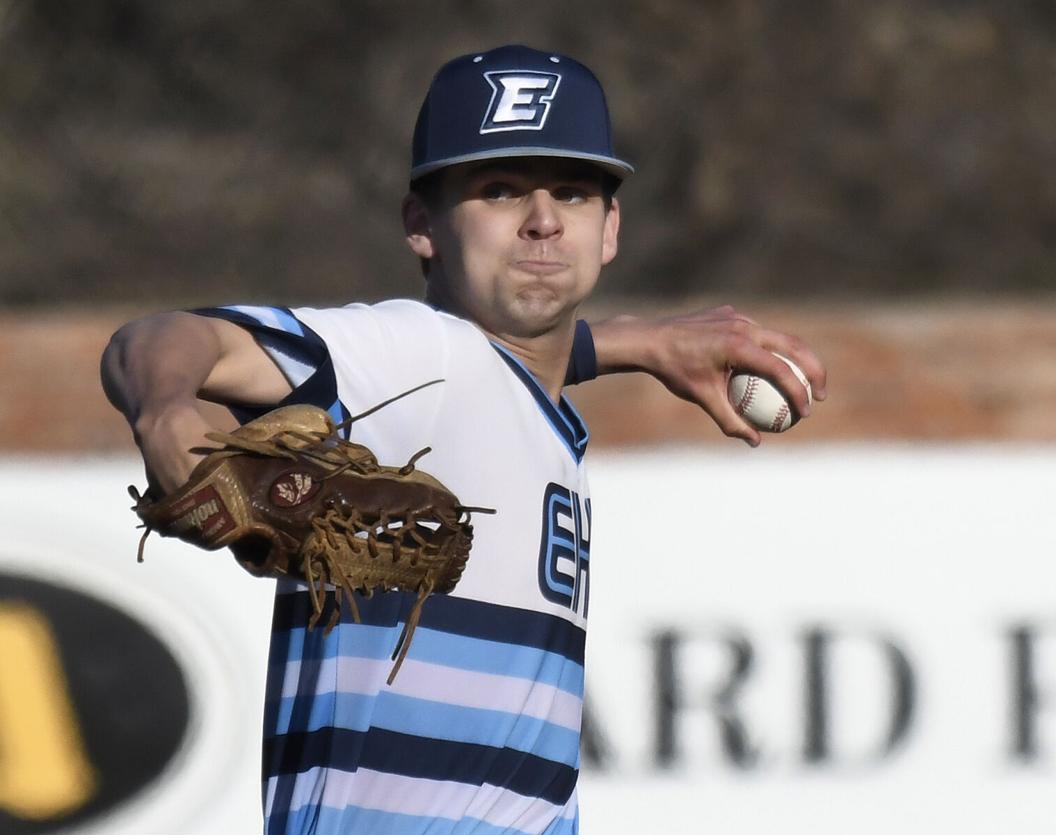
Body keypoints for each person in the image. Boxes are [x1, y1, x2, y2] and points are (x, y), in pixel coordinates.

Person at [101, 44, 825, 835]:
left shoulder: (519, 394)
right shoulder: (415, 353)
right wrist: (166, 414)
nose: (544, 220)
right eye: (500, 189)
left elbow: (518, 362)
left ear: (610, 228)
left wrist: (635, 342)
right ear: (423, 225)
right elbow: (159, 337)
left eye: (575, 194)